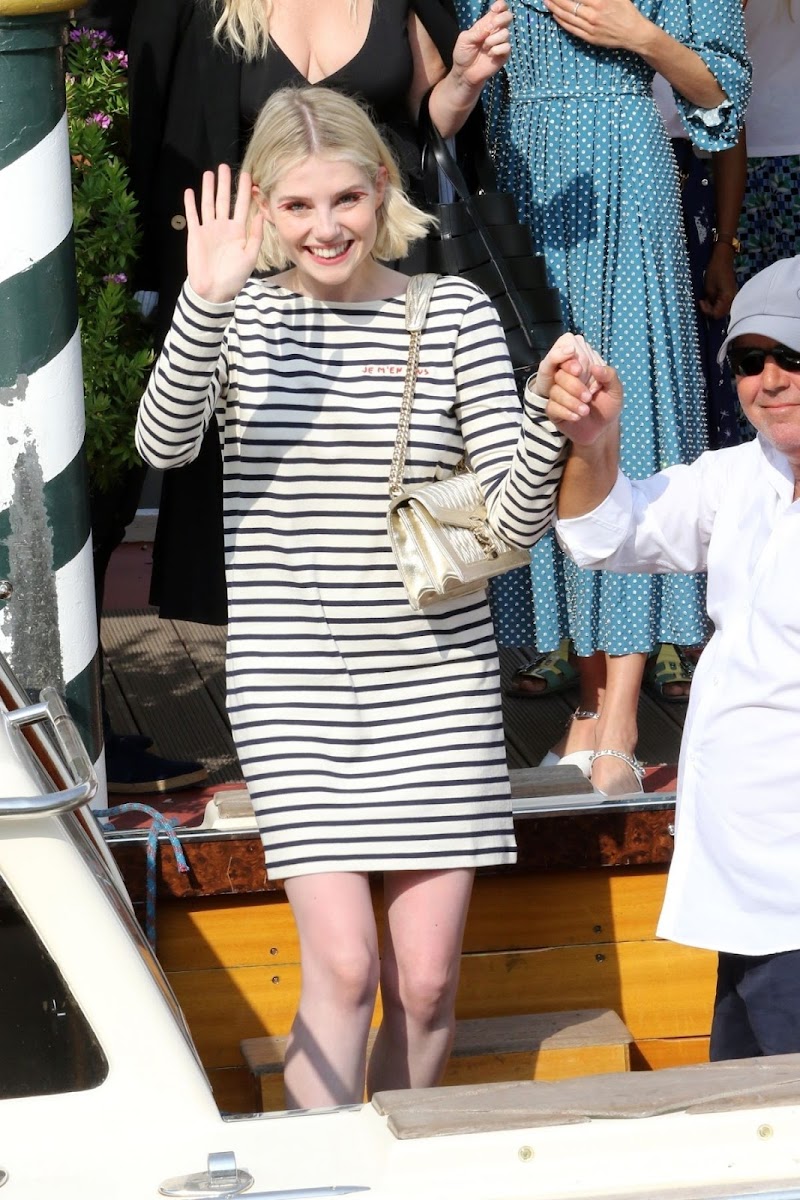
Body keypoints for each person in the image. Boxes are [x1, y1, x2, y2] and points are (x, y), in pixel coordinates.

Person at [135, 86, 567, 1107]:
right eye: (295, 205)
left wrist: (551, 424)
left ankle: (400, 1170)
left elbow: (509, 525)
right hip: (295, 685)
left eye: (344, 199)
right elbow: (162, 444)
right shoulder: (236, 317)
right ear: (261, 211)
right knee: (341, 967)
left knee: (422, 984)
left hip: (436, 679)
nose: (324, 226)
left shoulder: (449, 311)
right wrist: (203, 299)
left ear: (383, 191)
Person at [128, 0, 513, 626]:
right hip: (251, 268)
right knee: (270, 494)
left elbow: (423, 131)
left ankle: (402, 635)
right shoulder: (209, 8)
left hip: (379, 261)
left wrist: (463, 84)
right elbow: (161, 129)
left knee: (385, 477)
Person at [452, 0, 750, 795]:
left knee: (631, 426)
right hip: (518, 185)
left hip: (629, 182)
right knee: (542, 428)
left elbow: (724, 97)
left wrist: (641, 37)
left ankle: (620, 712)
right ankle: (585, 701)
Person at [542, 254, 800, 1060]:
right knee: (750, 1122)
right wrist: (593, 437)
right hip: (740, 860)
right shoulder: (737, 476)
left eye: (794, 356)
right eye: (750, 360)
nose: (770, 379)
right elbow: (605, 533)